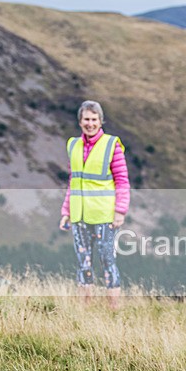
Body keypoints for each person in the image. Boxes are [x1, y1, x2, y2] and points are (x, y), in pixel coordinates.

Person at [59, 100, 130, 308]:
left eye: (94, 119)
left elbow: (122, 180)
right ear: (80, 122)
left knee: (108, 261)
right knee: (84, 263)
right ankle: (84, 308)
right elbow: (73, 181)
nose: (90, 123)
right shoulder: (73, 145)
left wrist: (120, 211)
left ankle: (113, 308)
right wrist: (66, 211)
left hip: (104, 215)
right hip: (79, 215)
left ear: (101, 121)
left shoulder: (111, 145)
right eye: (86, 119)